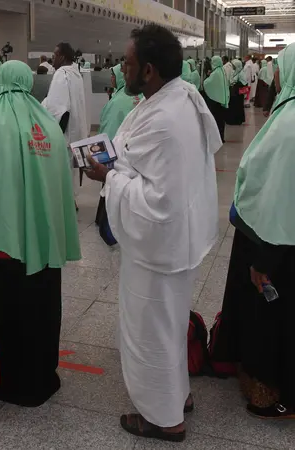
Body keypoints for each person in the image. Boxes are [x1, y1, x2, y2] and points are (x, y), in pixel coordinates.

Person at [83, 24, 221, 442]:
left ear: (147, 70)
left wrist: (108, 177)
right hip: (178, 243)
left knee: (149, 332)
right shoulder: (174, 97)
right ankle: (177, 396)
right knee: (170, 324)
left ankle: (163, 418)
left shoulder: (165, 117)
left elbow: (157, 201)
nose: (119, 69)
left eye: (126, 63)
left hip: (158, 246)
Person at [213, 40, 295, 420]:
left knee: (284, 314)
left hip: (286, 240)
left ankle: (287, 396)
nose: (279, 73)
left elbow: (288, 199)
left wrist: (264, 258)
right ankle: (294, 370)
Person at [0, 60, 81, 406]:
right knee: (41, 310)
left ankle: (10, 382)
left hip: (4, 250)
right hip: (44, 245)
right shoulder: (47, 125)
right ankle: (42, 375)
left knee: (10, 317)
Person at [43, 42, 89, 198]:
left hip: (65, 134)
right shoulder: (76, 74)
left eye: (54, 56)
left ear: (61, 57)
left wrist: (54, 134)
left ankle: (64, 203)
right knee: (70, 172)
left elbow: (58, 109)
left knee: (61, 171)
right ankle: (71, 200)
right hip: (76, 132)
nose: (53, 59)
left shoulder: (61, 74)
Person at [98, 64, 141, 140]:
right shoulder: (138, 93)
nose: (111, 78)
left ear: (120, 76)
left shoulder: (117, 101)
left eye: (113, 75)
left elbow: (110, 129)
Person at [202, 56, 229, 142]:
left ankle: (217, 138)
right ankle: (221, 137)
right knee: (220, 121)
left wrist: (207, 77)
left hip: (216, 100)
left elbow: (207, 83)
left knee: (216, 120)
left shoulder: (216, 73)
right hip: (221, 99)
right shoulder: (221, 70)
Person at [226, 59, 246, 125]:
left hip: (238, 93)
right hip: (234, 93)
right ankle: (232, 119)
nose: (233, 67)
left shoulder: (241, 73)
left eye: (234, 66)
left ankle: (237, 120)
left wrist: (236, 83)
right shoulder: (235, 72)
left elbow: (244, 83)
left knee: (237, 107)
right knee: (233, 106)